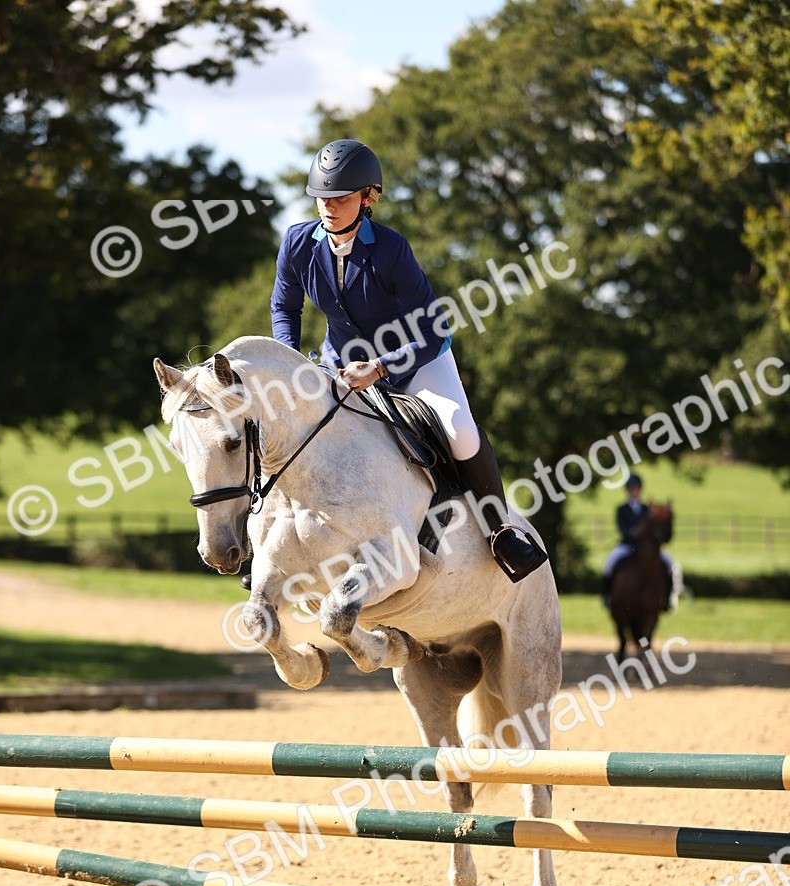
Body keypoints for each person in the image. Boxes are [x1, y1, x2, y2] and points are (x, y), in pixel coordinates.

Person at [269, 138, 548, 584]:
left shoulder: (391, 250)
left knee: (458, 430)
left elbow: (431, 328)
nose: (329, 207)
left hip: (417, 359)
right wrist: (289, 359)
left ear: (368, 198)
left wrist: (380, 368)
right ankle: (270, 541)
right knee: (294, 428)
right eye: (322, 197)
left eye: (340, 198)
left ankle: (500, 531)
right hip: (341, 362)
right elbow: (285, 308)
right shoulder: (298, 243)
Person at [600, 474, 676, 606]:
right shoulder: (621, 509)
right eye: (631, 488)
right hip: (627, 545)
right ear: (627, 490)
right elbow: (623, 528)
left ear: (640, 489)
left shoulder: (647, 509)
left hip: (645, 548)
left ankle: (667, 599)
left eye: (636, 487)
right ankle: (607, 596)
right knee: (609, 563)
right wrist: (634, 533)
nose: (634, 490)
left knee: (670, 565)